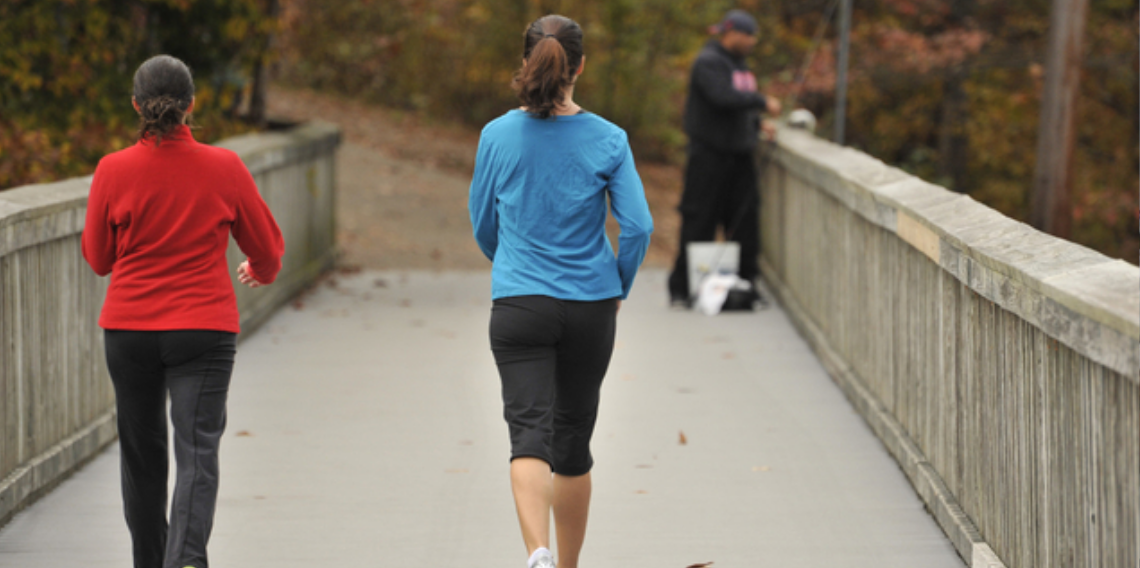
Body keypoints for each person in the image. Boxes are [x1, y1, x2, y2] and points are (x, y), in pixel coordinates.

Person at [82, 54, 284, 568]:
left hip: (128, 329)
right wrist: (259, 271)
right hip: (203, 328)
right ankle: (186, 560)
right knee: (197, 451)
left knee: (142, 458)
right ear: (192, 106)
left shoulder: (112, 170)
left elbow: (100, 259)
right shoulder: (225, 167)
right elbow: (267, 250)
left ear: (136, 105)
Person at [468, 14, 654, 568]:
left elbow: (482, 222)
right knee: (572, 442)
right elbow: (639, 226)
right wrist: (616, 282)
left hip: (520, 303)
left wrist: (512, 267)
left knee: (528, 434)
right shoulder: (609, 139)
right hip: (590, 305)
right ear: (580, 66)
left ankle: (538, 553)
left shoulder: (497, 135)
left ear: (528, 62)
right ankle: (568, 565)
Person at [667, 9, 781, 307]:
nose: (753, 42)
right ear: (733, 34)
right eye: (749, 36)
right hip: (708, 158)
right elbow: (722, 98)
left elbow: (734, 111)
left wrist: (757, 124)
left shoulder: (740, 66)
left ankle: (746, 286)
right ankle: (683, 288)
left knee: (745, 223)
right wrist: (762, 102)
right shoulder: (708, 62)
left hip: (740, 159)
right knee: (699, 221)